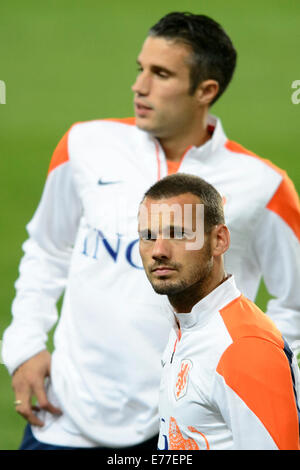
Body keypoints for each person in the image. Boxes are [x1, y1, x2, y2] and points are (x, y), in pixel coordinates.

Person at [2, 12, 300, 450]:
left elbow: (294, 302)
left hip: (183, 429)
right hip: (66, 420)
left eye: (160, 74)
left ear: (206, 91)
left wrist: (267, 384)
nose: (139, 86)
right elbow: (48, 249)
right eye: (140, 69)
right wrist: (24, 345)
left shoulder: (264, 186)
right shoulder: (84, 146)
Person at [138, 173, 300, 450]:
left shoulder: (244, 348)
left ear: (219, 240)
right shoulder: (189, 325)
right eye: (149, 236)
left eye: (178, 234)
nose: (159, 251)